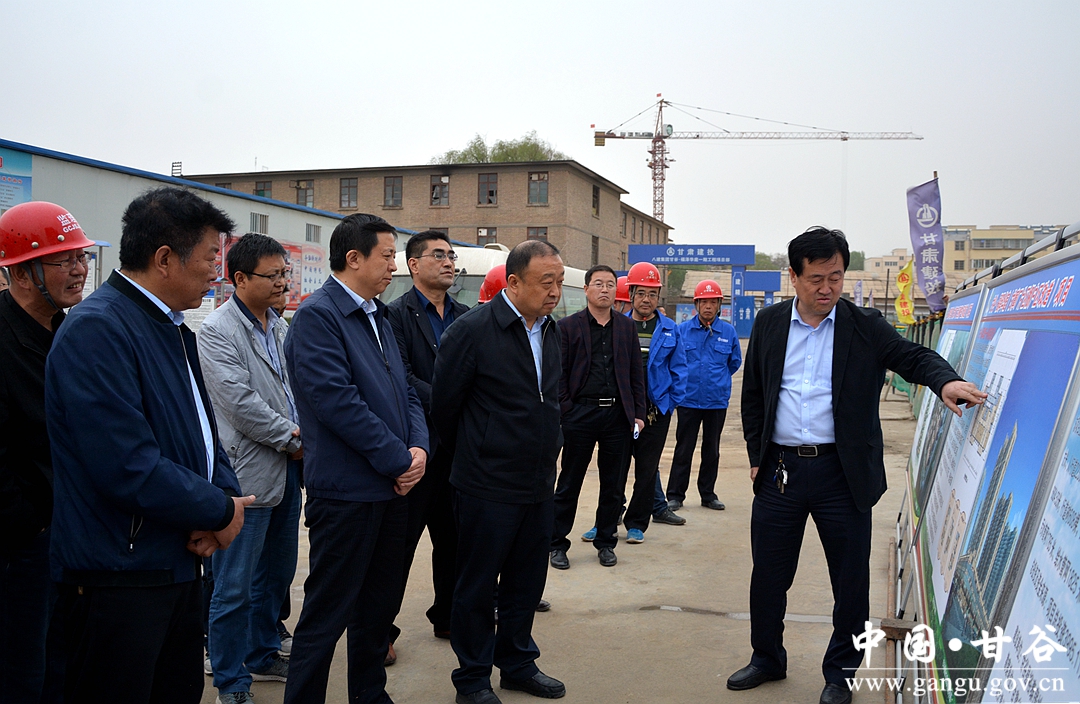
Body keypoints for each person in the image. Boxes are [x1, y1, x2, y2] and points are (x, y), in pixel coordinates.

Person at [729, 227, 986, 704]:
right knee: (768, 575)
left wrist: (944, 381)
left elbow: (913, 356)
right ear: (793, 277)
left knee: (849, 581)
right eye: (816, 279)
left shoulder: (864, 325)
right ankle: (766, 658)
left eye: (836, 277)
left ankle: (841, 674)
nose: (827, 288)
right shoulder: (769, 323)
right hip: (780, 471)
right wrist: (755, 457)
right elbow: (755, 395)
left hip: (841, 474)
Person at [45, 187, 252, 704]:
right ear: (164, 259)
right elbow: (126, 464)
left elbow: (203, 432)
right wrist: (219, 510)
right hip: (119, 577)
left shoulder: (172, 327)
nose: (217, 272)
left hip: (174, 562)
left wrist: (226, 493)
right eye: (210, 257)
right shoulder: (99, 329)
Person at [282, 214, 428, 704]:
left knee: (377, 611)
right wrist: (398, 460)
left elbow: (407, 391)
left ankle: (369, 695)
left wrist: (418, 449)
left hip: (390, 490)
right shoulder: (318, 317)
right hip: (346, 494)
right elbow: (337, 403)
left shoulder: (378, 316)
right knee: (327, 613)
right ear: (353, 258)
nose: (394, 267)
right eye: (386, 256)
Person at [432, 240, 567, 704]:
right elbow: (444, 408)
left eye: (559, 281)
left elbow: (551, 398)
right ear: (513, 282)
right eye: (546, 282)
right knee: (476, 586)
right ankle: (472, 679)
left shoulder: (550, 330)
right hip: (485, 485)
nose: (555, 292)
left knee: (526, 582)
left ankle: (517, 664)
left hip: (538, 481)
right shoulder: (471, 331)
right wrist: (481, 450)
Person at [198, 233, 303, 703]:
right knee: (234, 585)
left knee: (276, 575)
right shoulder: (217, 331)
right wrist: (295, 439)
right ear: (240, 279)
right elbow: (240, 404)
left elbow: (293, 390)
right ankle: (230, 679)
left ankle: (262, 654)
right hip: (248, 476)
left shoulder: (278, 325)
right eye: (273, 275)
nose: (283, 282)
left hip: (288, 470)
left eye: (285, 273)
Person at [0, 201, 93, 703]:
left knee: (64, 665)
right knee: (22, 671)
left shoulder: (72, 333)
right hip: (23, 544)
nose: (79, 270)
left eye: (82, 257)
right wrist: (30, 525)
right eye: (65, 260)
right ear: (20, 272)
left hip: (71, 533)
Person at [385, 230, 469, 655]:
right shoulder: (394, 316)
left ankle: (449, 617)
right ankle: (381, 631)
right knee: (399, 546)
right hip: (416, 449)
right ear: (413, 265)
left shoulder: (466, 316)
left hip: (459, 450)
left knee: (455, 540)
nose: (448, 262)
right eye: (438, 255)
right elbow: (401, 378)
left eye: (451, 255)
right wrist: (454, 399)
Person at [549, 264, 645, 570]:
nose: (605, 289)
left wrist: (638, 413)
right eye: (599, 284)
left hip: (617, 415)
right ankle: (556, 543)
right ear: (586, 289)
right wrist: (567, 409)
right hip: (580, 414)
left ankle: (606, 542)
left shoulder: (626, 327)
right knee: (569, 481)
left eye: (610, 284)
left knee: (613, 484)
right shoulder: (567, 326)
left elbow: (636, 373)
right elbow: (558, 373)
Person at [621, 262, 687, 543]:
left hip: (656, 410)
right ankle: (607, 519)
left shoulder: (671, 329)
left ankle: (636, 523)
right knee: (615, 467)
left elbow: (680, 369)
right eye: (641, 293)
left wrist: (669, 403)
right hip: (623, 409)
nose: (646, 299)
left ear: (658, 297)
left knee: (647, 470)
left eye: (652, 294)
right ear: (631, 294)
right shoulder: (618, 325)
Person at [665, 280, 741, 512]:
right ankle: (675, 495)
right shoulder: (682, 331)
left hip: (716, 401)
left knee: (712, 450)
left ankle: (708, 494)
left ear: (719, 305)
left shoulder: (728, 332)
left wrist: (717, 381)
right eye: (704, 302)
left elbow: (734, 362)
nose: (708, 306)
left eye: (713, 302)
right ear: (696, 304)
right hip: (688, 400)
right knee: (683, 448)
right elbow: (674, 362)